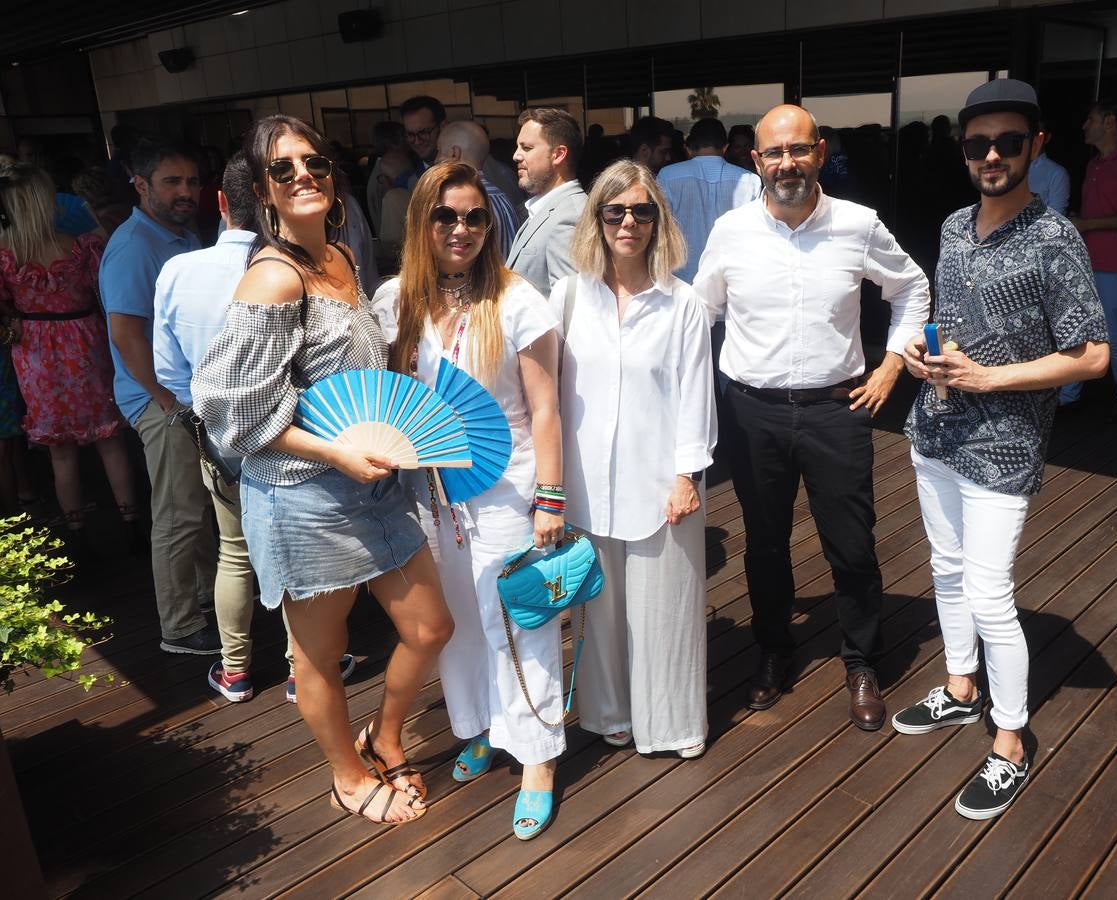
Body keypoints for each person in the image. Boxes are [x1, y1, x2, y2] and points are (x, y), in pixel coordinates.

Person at [192, 115, 453, 825]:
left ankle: (386, 735)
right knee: (319, 656)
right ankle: (346, 775)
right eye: (284, 169)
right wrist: (335, 450)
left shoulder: (337, 256)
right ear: (264, 192)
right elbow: (228, 410)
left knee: (430, 628)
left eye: (314, 163)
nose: (304, 174)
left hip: (375, 488)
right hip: (304, 500)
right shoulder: (274, 278)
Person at [896, 78, 1109, 820]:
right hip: (935, 428)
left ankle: (1011, 741)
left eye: (1008, 142)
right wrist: (927, 359)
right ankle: (961, 687)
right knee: (946, 571)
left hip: (1006, 445)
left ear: (1037, 145)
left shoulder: (1056, 239)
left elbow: (1091, 356)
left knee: (989, 592)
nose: (992, 154)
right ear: (963, 151)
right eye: (978, 143)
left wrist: (992, 377)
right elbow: (948, 319)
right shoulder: (956, 226)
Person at [695, 104, 930, 731]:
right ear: (757, 161)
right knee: (764, 543)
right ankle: (774, 649)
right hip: (752, 415)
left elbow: (912, 287)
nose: (787, 164)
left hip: (838, 408)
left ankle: (861, 660)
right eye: (774, 153)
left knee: (851, 545)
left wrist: (892, 366)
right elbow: (699, 316)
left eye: (798, 150)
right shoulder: (732, 232)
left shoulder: (858, 225)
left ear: (820, 152)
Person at [373, 161, 566, 840]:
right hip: (430, 494)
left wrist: (550, 498)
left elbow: (546, 409)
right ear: (421, 221)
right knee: (455, 621)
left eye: (475, 216)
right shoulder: (396, 300)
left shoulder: (518, 301)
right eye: (446, 216)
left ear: (491, 224)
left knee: (519, 620)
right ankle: (480, 725)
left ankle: (538, 754)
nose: (461, 229)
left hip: (508, 486)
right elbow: (392, 401)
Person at [153, 153, 357, 703]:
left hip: (218, 436)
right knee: (300, 549)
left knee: (235, 550)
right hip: (307, 438)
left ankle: (237, 670)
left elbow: (170, 371)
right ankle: (302, 668)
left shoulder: (179, 271)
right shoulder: (304, 268)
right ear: (269, 198)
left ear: (219, 203)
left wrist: (200, 412)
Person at [554, 159, 716, 759]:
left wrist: (686, 474)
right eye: (615, 210)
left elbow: (697, 396)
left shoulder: (684, 304)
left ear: (659, 221)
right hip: (587, 483)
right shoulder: (569, 296)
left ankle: (672, 724)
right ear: (597, 218)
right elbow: (546, 389)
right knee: (599, 613)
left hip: (661, 484)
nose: (629, 222)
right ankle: (607, 712)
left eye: (642, 211)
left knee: (665, 613)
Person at [100, 141, 221, 656]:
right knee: (179, 513)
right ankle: (179, 626)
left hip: (183, 393)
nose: (186, 192)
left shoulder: (183, 234)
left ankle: (203, 598)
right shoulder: (134, 246)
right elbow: (125, 332)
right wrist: (163, 399)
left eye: (192, 182)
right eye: (172, 182)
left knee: (196, 508)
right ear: (141, 185)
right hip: (161, 399)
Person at [0, 163, 141, 552]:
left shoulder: (6, 257)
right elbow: (107, 293)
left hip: (35, 351)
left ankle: (77, 535)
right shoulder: (82, 247)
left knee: (60, 453)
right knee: (110, 441)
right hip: (87, 342)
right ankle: (132, 526)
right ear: (47, 201)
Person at [1060, 99, 1117, 422]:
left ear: (1109, 122)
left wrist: (1086, 224)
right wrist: (1080, 221)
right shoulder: (1094, 165)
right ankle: (1069, 395)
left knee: (1112, 332)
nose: (1085, 125)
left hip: (1116, 263)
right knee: (1080, 329)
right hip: (1088, 261)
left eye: (1091, 118)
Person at [656, 117, 761, 284]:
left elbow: (658, 230)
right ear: (726, 147)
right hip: (732, 281)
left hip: (680, 281)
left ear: (688, 148)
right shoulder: (750, 181)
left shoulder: (668, 176)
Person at [506, 107, 587, 295]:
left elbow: (572, 310)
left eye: (527, 148)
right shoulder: (547, 209)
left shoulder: (570, 218)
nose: (516, 155)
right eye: (518, 147)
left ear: (558, 154)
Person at [436, 120, 521, 257]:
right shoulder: (502, 198)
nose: (436, 160)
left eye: (439, 151)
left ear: (454, 154)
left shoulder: (457, 202)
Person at [1027, 126, 1069, 215]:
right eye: (1030, 132)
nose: (1033, 137)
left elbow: (1056, 217)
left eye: (1037, 133)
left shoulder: (1057, 173)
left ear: (1047, 138)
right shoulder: (1009, 166)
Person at [400, 95, 446, 171]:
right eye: (410, 134)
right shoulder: (406, 181)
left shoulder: (466, 173)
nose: (417, 142)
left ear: (443, 127)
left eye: (423, 133)